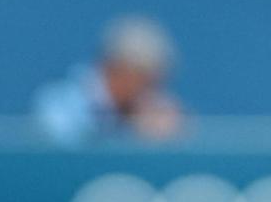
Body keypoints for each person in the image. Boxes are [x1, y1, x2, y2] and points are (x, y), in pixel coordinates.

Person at [33, 16, 182, 145]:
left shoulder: (154, 107)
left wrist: (164, 136)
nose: (151, 90)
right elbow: (61, 149)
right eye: (146, 79)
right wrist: (132, 134)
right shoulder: (59, 102)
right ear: (119, 67)